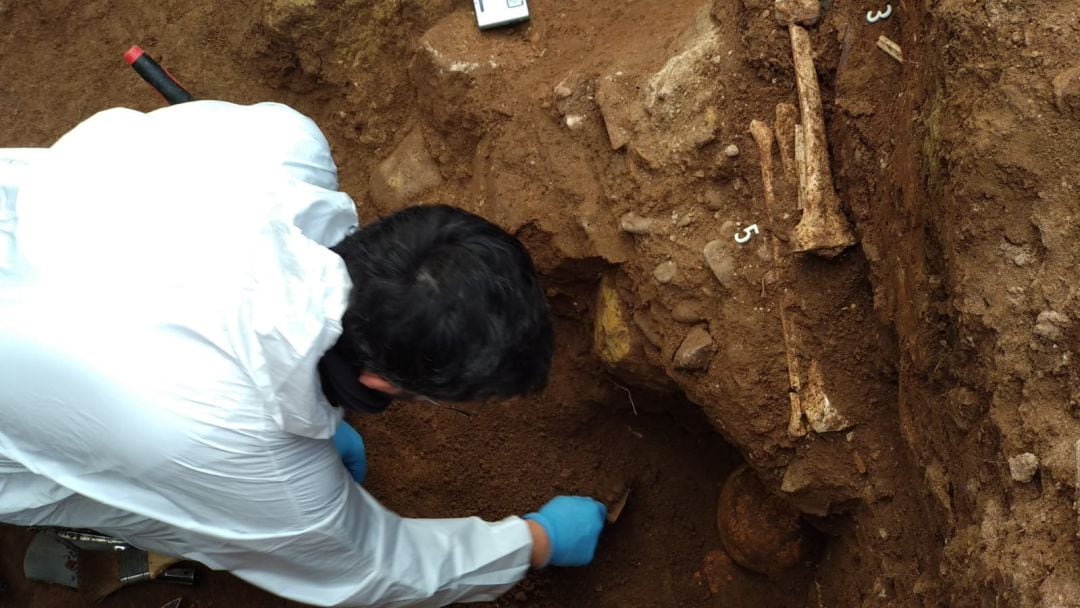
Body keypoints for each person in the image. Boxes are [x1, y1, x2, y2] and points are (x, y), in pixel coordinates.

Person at [0, 100, 607, 607]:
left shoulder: (282, 145)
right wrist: (536, 542)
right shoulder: (238, 450)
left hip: (34, 238)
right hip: (42, 413)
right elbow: (374, 567)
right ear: (379, 380)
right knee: (143, 499)